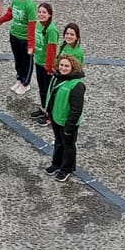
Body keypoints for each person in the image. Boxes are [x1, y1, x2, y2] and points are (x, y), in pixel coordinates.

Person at [45, 54, 86, 182]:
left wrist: (70, 126)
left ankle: (66, 169)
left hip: (67, 122)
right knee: (58, 142)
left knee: (69, 146)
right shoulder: (57, 77)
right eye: (61, 65)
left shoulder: (77, 85)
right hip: (56, 117)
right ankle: (56, 164)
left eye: (66, 66)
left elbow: (76, 109)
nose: (63, 68)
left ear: (73, 67)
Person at [1, 0, 37, 93]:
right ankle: (19, 78)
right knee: (18, 60)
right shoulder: (15, 0)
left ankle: (26, 83)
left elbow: (32, 26)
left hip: (24, 38)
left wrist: (31, 45)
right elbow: (10, 13)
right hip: (14, 35)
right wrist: (1, 20)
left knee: (26, 62)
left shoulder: (30, 4)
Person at [30, 3, 58, 122]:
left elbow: (51, 50)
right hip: (39, 61)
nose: (41, 14)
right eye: (40, 12)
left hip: (46, 66)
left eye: (44, 12)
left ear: (49, 14)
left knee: (48, 90)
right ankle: (43, 108)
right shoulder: (38, 25)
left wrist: (49, 67)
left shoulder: (52, 30)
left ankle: (50, 115)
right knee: (42, 88)